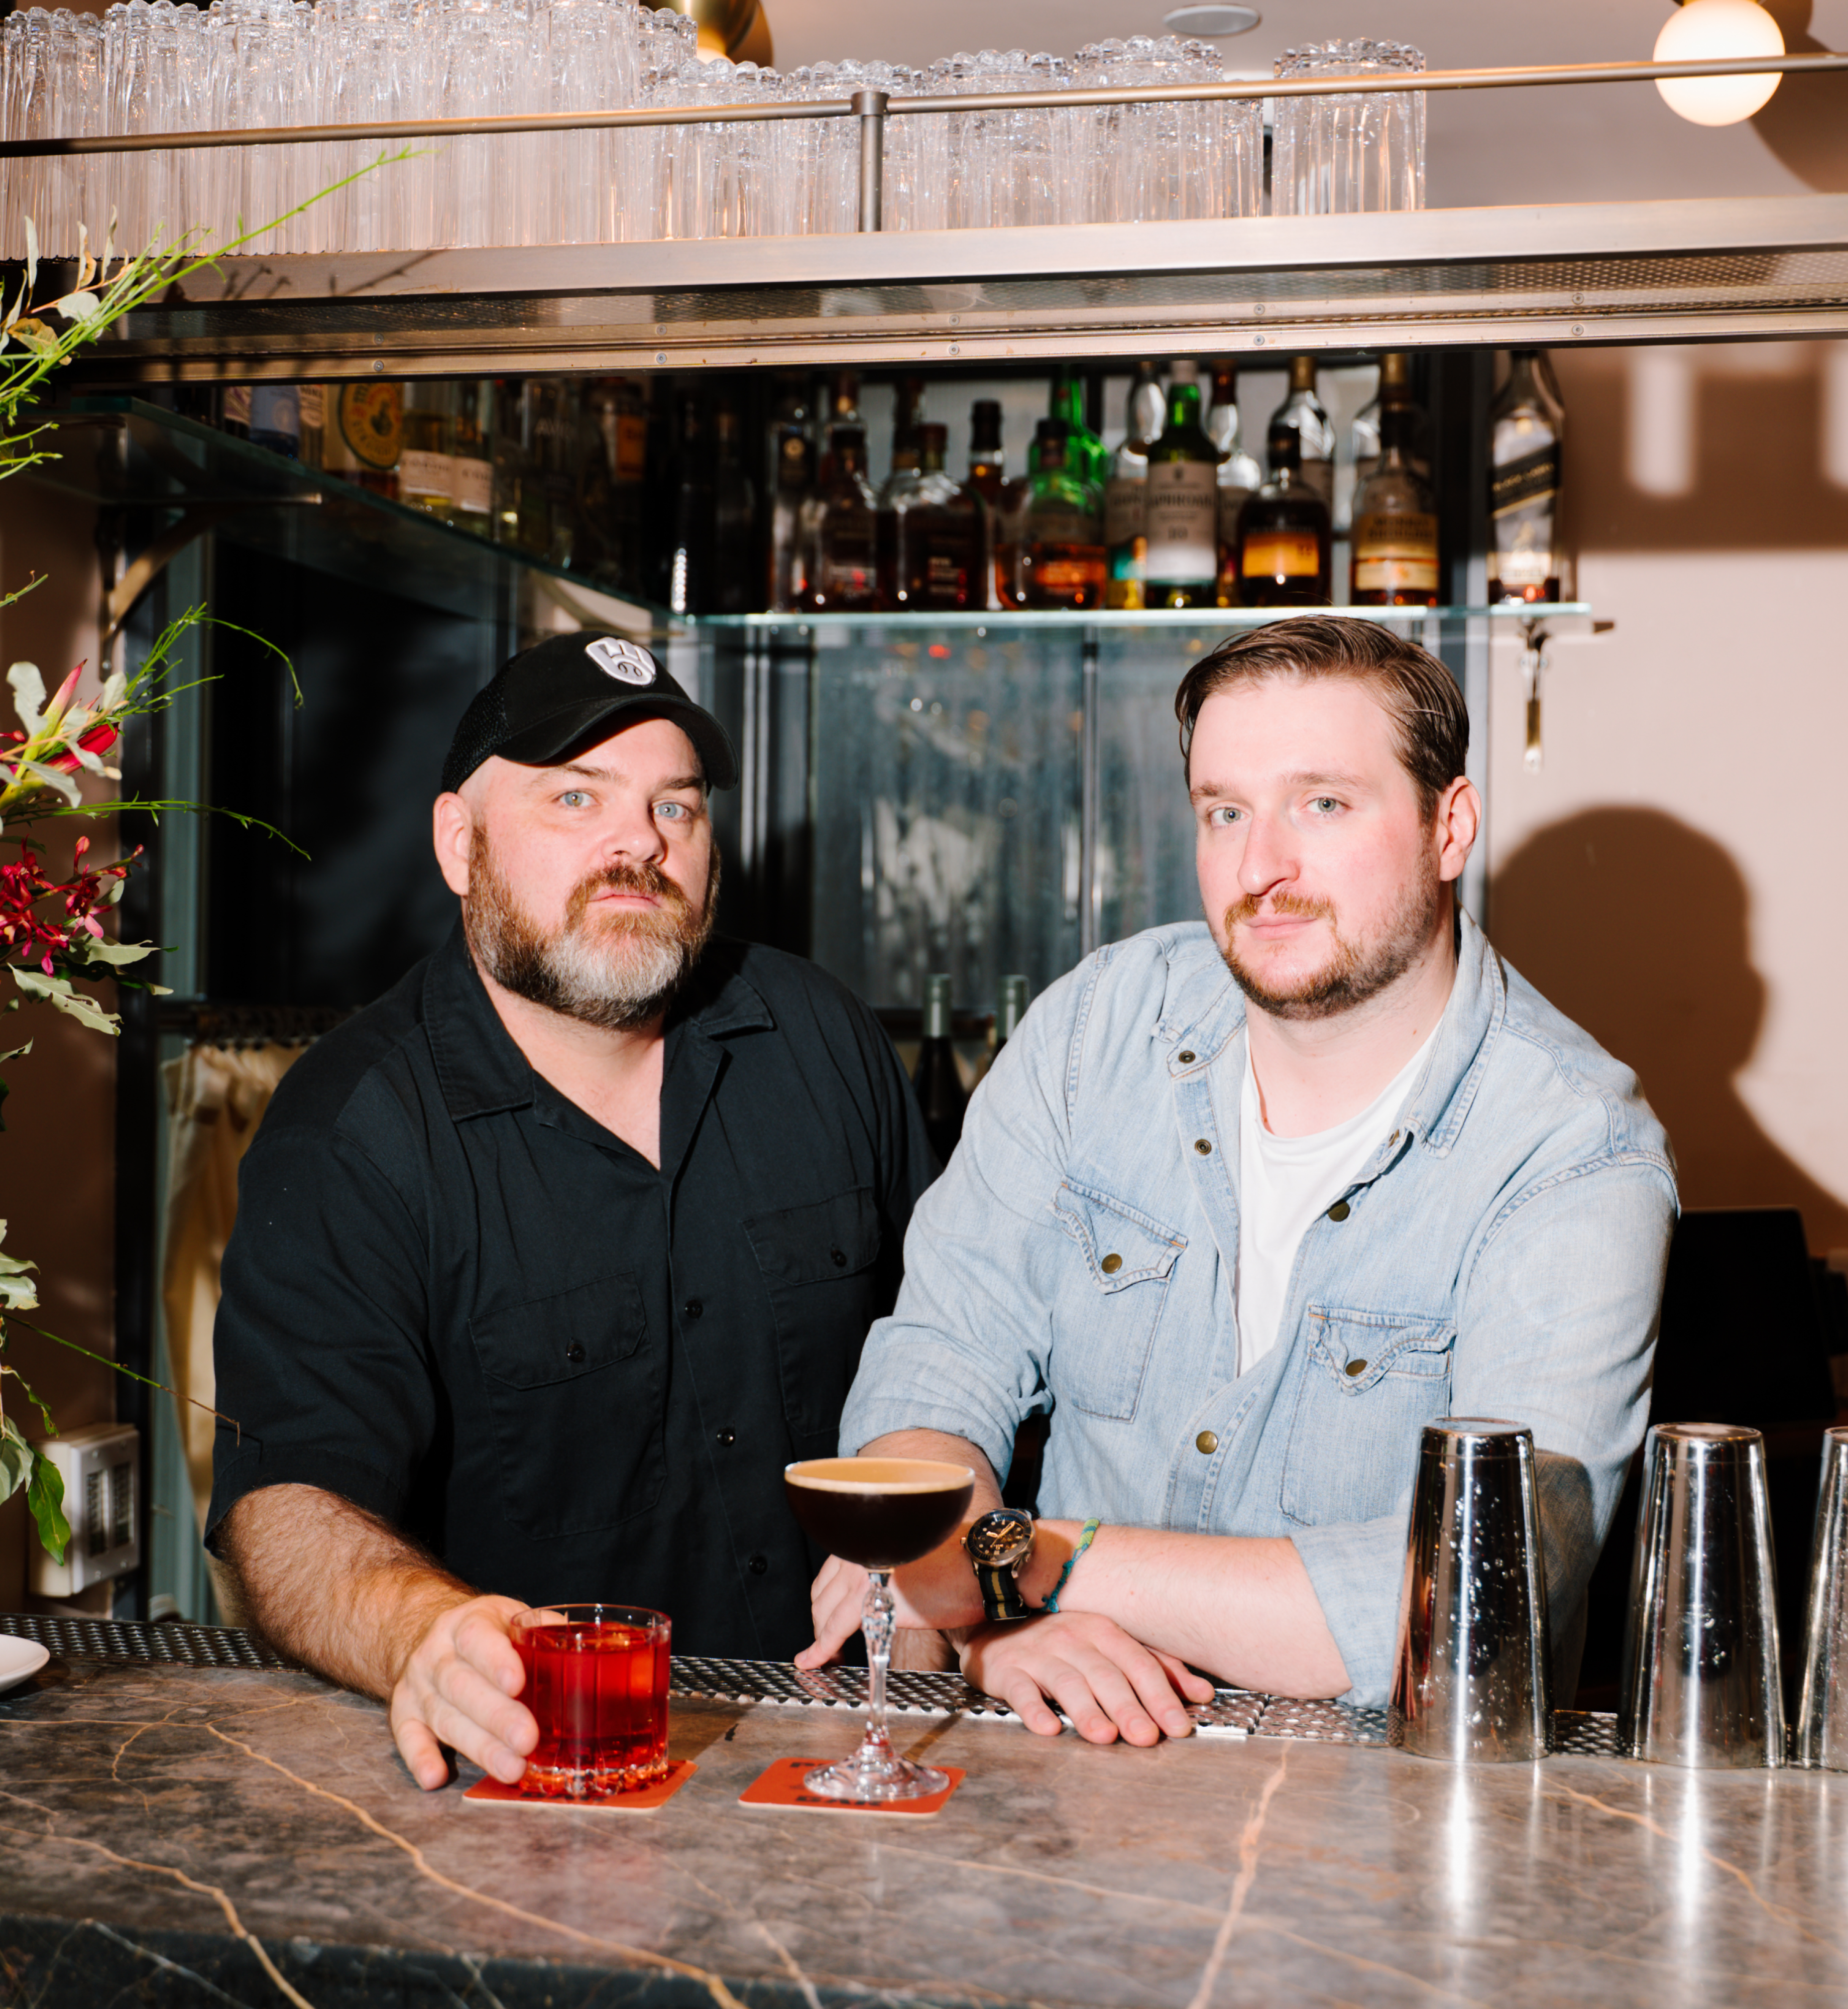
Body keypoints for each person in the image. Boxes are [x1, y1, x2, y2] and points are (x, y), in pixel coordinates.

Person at [804, 616, 1677, 1743]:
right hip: (1060, 1765)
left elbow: (1472, 1592)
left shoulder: (1570, 1148)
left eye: (1322, 803)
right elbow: (937, 1365)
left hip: (1386, 1833)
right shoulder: (1095, 1029)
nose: (1260, 868)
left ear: (1448, 825)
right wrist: (983, 1617)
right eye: (1225, 811)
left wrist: (1011, 1571)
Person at [210, 631, 935, 1791]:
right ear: (461, 842)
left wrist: (975, 1573)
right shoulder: (353, 1131)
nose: (638, 843)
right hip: (554, 1777)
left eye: (676, 807)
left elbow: (982, 1358)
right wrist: (419, 1633)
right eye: (574, 796)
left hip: (866, 1746)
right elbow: (288, 1505)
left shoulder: (818, 1037)